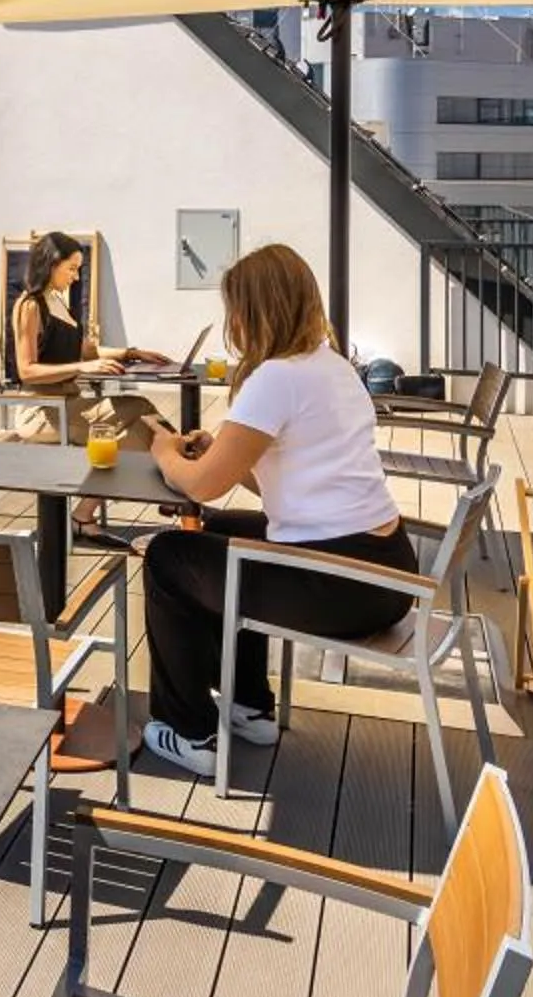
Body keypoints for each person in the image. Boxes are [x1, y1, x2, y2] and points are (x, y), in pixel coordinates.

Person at [138, 243, 419, 780]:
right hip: (385, 572)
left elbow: (204, 484)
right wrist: (224, 451)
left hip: (339, 586)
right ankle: (249, 704)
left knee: (169, 556)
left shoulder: (275, 378)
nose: (233, 324)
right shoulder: (333, 367)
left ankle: (188, 730)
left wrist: (164, 451)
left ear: (253, 311)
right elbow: (282, 477)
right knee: (222, 533)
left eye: (235, 310)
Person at [6, 230, 168, 541]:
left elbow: (85, 350)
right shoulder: (30, 305)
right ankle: (178, 486)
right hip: (42, 411)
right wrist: (83, 367)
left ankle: (85, 515)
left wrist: (130, 353)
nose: (76, 276)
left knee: (139, 423)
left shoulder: (56, 300)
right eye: (71, 268)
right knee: (139, 415)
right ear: (51, 264)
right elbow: (26, 371)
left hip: (68, 404)